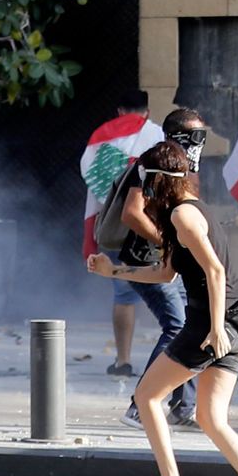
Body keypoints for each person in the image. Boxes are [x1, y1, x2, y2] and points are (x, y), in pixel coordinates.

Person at [87, 141, 238, 476]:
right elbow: (164, 272)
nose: (144, 187)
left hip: (214, 323)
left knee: (147, 397)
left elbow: (215, 271)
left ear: (159, 179)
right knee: (210, 417)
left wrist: (216, 329)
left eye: (147, 178)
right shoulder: (183, 212)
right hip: (235, 319)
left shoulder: (182, 217)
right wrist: (115, 271)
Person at [113, 108, 210, 430]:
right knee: (177, 325)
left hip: (174, 261)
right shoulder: (152, 163)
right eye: (195, 137)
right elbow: (131, 213)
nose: (201, 144)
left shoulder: (185, 167)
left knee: (194, 324)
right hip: (147, 258)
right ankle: (142, 404)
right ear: (179, 137)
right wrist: (169, 242)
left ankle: (184, 406)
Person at [80, 90, 165, 377]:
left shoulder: (103, 140)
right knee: (168, 297)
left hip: (117, 227)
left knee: (124, 293)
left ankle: (123, 360)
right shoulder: (158, 135)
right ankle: (169, 360)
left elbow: (96, 186)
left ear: (119, 111)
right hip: (150, 226)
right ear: (148, 111)